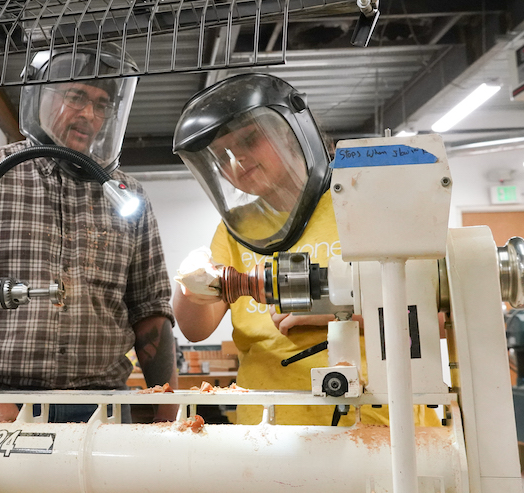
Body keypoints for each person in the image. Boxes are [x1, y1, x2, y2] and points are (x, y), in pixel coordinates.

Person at [0, 45, 177, 423]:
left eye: (102, 105)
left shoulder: (127, 197)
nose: (90, 114)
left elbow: (151, 311)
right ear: (37, 96)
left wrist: (167, 416)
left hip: (104, 410)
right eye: (76, 97)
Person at [171, 73, 437, 427]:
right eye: (223, 156)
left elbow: (437, 319)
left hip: (377, 425)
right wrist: (190, 281)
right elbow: (194, 330)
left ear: (290, 130)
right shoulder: (236, 229)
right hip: (266, 430)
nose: (238, 161)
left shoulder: (368, 201)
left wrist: (338, 310)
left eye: (250, 139)